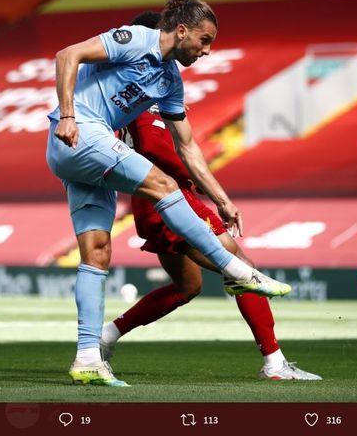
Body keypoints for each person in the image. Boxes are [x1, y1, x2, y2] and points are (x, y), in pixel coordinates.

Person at [46, 0, 291, 387]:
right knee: (163, 184)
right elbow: (65, 55)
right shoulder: (135, 39)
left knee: (97, 251)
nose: (207, 50)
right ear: (181, 30)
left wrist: (224, 200)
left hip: (86, 154)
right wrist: (70, 115)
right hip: (78, 132)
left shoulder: (169, 81)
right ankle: (235, 271)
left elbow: (189, 146)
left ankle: (88, 355)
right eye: (205, 40)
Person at [100, 105, 320, 379]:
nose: (202, 57)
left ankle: (107, 335)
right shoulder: (144, 94)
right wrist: (194, 174)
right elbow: (153, 144)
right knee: (242, 268)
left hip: (149, 198)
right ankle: (275, 364)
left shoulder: (131, 97)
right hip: (168, 194)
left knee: (187, 286)